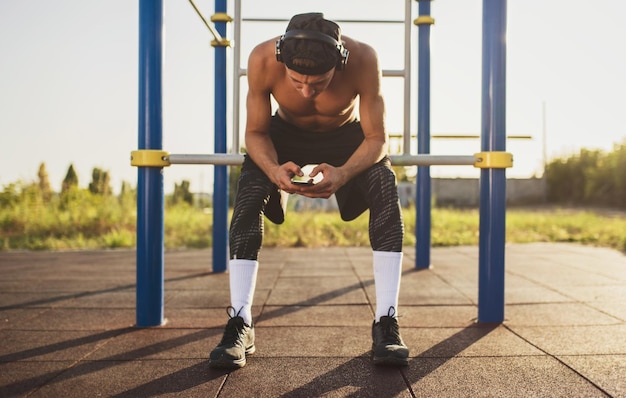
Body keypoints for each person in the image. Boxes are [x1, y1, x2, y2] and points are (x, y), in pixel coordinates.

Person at [209, 12, 408, 369]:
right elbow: (255, 133)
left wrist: (345, 173)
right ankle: (241, 321)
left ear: (340, 61)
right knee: (250, 190)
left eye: (318, 83)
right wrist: (271, 170)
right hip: (282, 136)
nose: (305, 90)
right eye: (297, 81)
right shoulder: (262, 59)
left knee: (384, 183)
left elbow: (377, 138)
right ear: (282, 58)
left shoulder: (363, 59)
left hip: (347, 137)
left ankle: (386, 322)